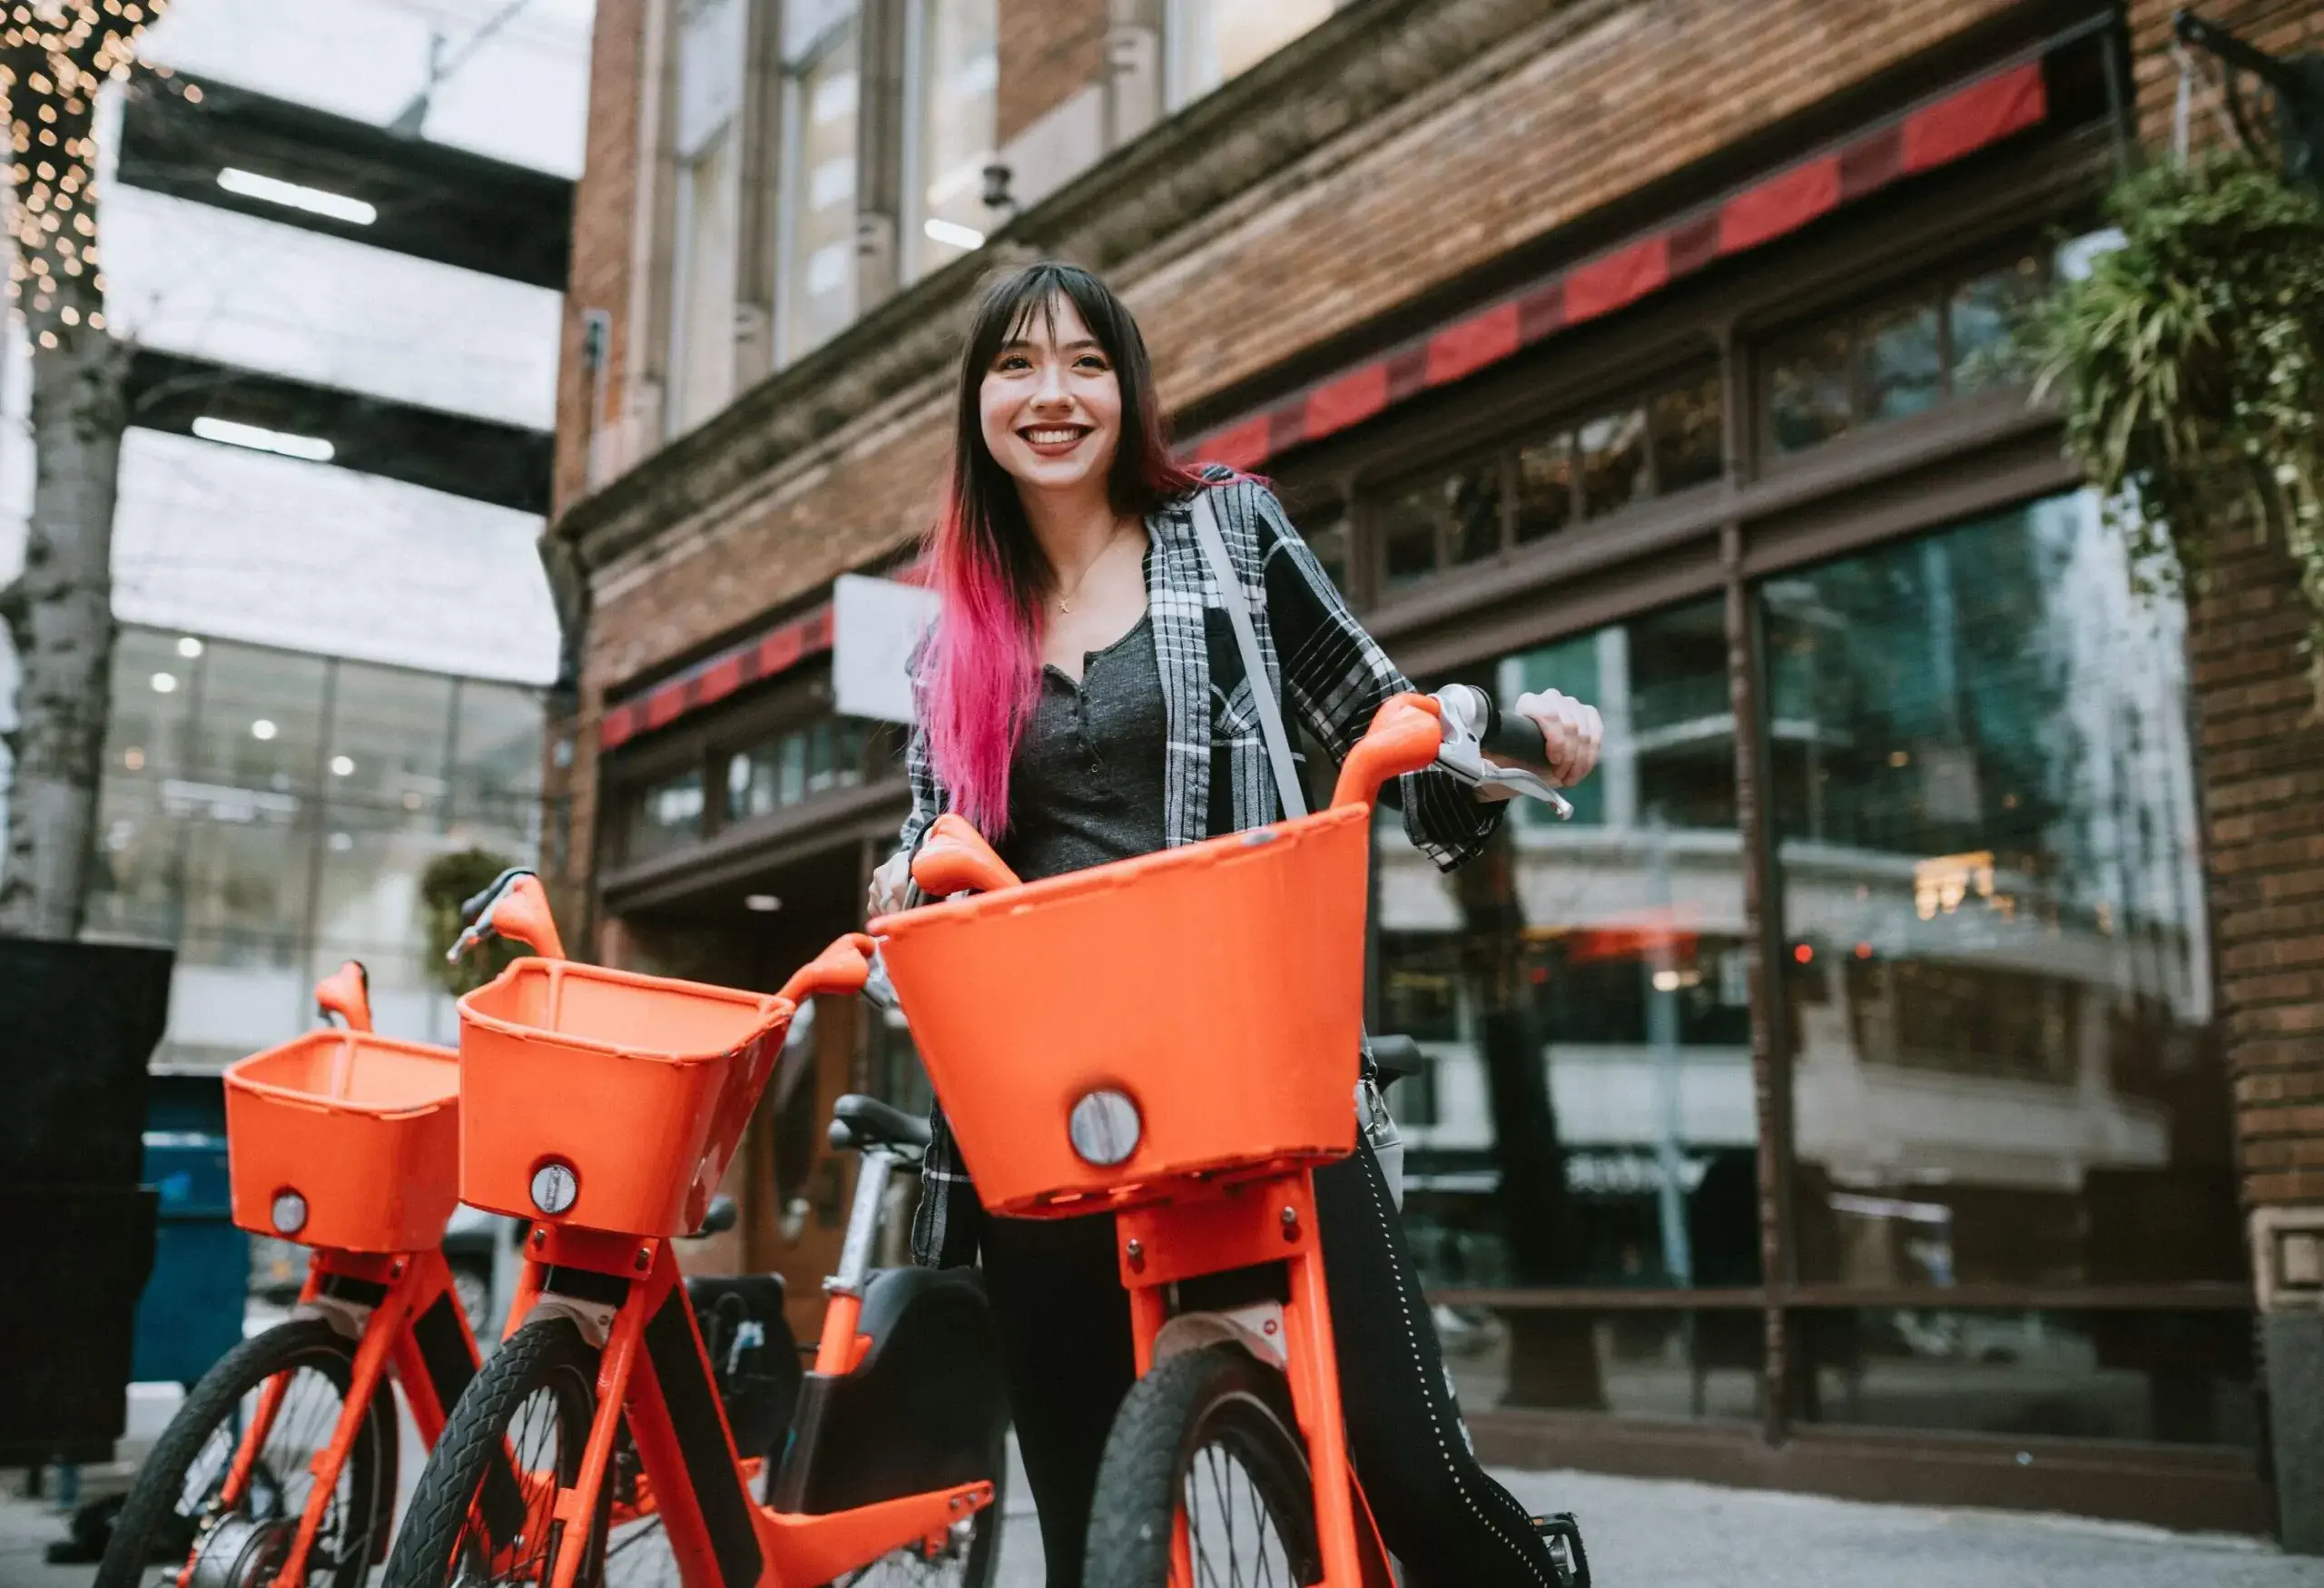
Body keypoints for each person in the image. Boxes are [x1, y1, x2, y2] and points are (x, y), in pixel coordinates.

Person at [868, 261, 1603, 1588]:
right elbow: (928, 845)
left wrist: (1515, 741)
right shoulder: (950, 640)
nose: (1053, 393)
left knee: (1411, 1470)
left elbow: (1373, 713)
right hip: (1056, 1102)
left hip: (1250, 1062)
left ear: (1128, 389)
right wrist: (907, 880)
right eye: (1018, 365)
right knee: (1098, 1521)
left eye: (1087, 362)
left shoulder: (1229, 532)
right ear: (978, 402)